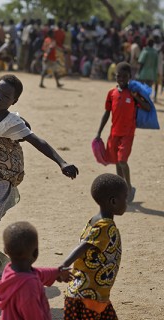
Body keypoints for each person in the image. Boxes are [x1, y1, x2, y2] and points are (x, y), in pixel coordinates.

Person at [0, 74, 78, 299]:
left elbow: (38, 141)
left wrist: (62, 162)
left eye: (6, 95)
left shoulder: (13, 123)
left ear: (14, 101)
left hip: (1, 181)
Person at [60, 173, 128, 319]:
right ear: (114, 201)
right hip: (89, 296)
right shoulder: (105, 226)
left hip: (89, 292)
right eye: (125, 198)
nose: (127, 203)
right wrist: (64, 264)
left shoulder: (94, 221)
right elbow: (85, 245)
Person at [96, 62, 150, 203]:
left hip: (128, 133)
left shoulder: (133, 94)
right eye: (119, 76)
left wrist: (136, 97)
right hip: (114, 133)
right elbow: (107, 113)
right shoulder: (111, 93)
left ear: (129, 77)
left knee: (122, 161)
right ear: (115, 77)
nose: (121, 79)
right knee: (116, 162)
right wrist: (99, 132)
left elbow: (147, 107)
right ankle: (121, 189)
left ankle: (129, 187)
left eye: (124, 76)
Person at [0, 221, 72, 319]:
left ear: (6, 250)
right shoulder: (29, 286)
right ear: (36, 252)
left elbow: (37, 274)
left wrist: (56, 272)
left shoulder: (10, 271)